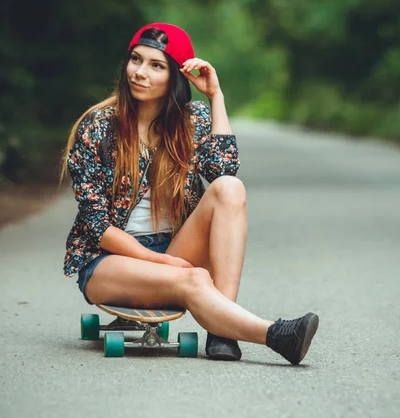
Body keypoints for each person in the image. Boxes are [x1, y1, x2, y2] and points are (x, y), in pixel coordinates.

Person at [60, 22, 319, 364]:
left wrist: (215, 97)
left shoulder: (190, 120)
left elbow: (223, 171)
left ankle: (222, 331)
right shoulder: (97, 127)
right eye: (136, 60)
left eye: (156, 65)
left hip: (174, 246)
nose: (140, 72)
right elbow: (97, 226)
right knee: (195, 279)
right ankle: (275, 336)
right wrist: (163, 261)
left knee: (230, 188)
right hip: (108, 261)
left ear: (175, 77)